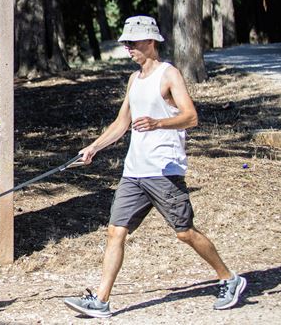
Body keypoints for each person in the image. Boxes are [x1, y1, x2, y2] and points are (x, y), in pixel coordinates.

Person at [63, 16, 246, 318]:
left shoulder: (169, 74)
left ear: (150, 42)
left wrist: (159, 122)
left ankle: (229, 278)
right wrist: (93, 148)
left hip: (164, 171)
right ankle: (101, 300)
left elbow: (191, 117)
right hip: (134, 172)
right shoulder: (135, 80)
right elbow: (123, 122)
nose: (127, 48)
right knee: (114, 231)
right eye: (125, 43)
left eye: (132, 43)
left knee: (184, 232)